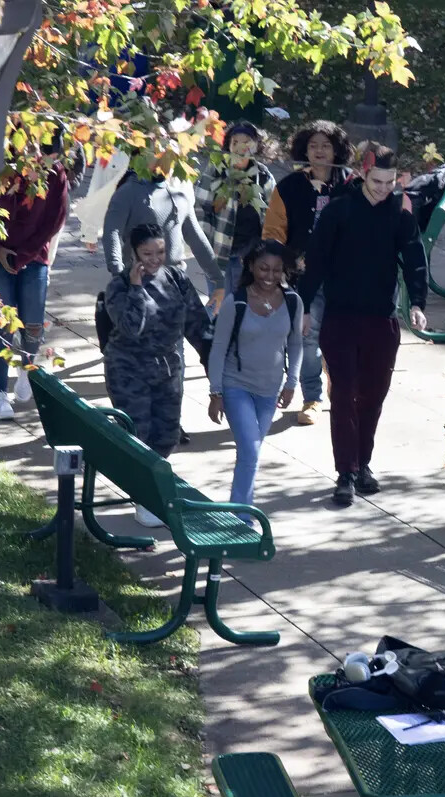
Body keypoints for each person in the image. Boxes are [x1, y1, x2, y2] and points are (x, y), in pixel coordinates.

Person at [296, 143, 428, 507]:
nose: (384, 188)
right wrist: (304, 306)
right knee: (343, 393)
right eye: (377, 180)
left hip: (381, 319)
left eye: (389, 181)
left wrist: (417, 302)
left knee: (373, 395)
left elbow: (414, 258)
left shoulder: (398, 213)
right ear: (362, 174)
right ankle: (345, 472)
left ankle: (363, 463)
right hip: (340, 318)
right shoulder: (340, 210)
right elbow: (317, 260)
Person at [104, 223, 212, 527]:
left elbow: (197, 322)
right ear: (134, 253)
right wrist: (137, 288)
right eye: (147, 253)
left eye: (160, 252)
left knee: (166, 435)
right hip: (129, 369)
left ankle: (151, 493)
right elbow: (130, 328)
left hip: (167, 367)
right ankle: (145, 499)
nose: (154, 259)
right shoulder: (120, 286)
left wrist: (211, 357)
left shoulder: (176, 278)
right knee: (140, 434)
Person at [263, 120, 355, 426]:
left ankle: (341, 389)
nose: (319, 151)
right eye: (313, 145)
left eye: (326, 145)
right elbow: (273, 235)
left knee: (343, 337)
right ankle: (312, 397)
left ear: (337, 150)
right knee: (308, 338)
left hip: (344, 277)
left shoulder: (352, 185)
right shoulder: (288, 188)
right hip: (305, 279)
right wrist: (291, 260)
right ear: (304, 149)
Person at [207, 240, 303, 522]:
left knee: (251, 455)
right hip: (236, 386)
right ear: (250, 267)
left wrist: (292, 382)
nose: (270, 276)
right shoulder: (235, 302)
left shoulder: (292, 301)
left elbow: (296, 344)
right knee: (250, 451)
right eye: (263, 269)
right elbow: (218, 349)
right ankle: (241, 520)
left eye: (276, 270)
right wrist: (216, 392)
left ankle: (239, 511)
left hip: (270, 390)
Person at [0, 148, 69, 421]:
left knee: (33, 323)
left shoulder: (52, 171)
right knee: (3, 322)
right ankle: (0, 393)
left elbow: (55, 219)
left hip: (34, 254)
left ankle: (26, 368)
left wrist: (24, 256)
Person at [102, 169, 225, 311]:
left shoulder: (179, 197)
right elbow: (112, 232)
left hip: (175, 288)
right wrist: (118, 274)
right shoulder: (127, 193)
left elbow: (197, 240)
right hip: (140, 286)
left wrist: (218, 280)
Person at [196, 121, 277, 297]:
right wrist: (207, 245)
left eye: (247, 142)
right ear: (228, 146)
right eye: (235, 142)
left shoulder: (263, 177)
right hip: (218, 253)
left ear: (257, 146)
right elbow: (200, 208)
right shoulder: (216, 171)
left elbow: (273, 218)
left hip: (249, 256)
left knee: (245, 306)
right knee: (219, 308)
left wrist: (264, 250)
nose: (240, 147)